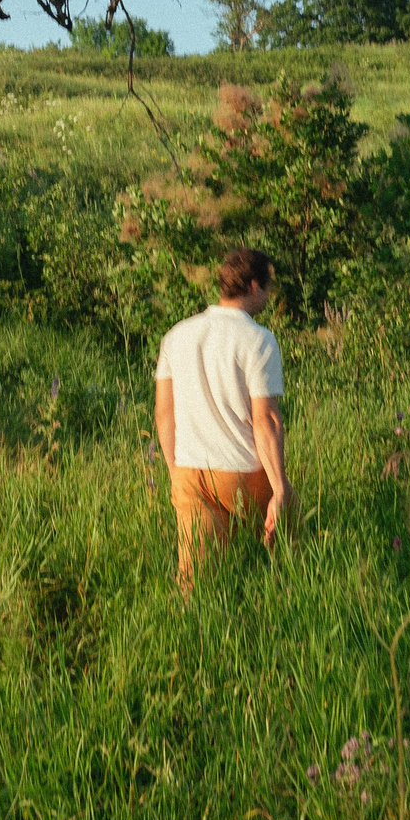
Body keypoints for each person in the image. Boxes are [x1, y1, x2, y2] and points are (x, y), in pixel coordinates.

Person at [153, 246, 293, 589]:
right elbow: (266, 421)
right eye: (269, 287)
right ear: (255, 285)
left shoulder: (177, 335)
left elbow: (163, 412)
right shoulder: (259, 340)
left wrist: (175, 472)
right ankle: (283, 608)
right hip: (241, 475)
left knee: (194, 581)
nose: (270, 295)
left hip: (189, 473)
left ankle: (190, 636)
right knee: (293, 545)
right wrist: (280, 489)